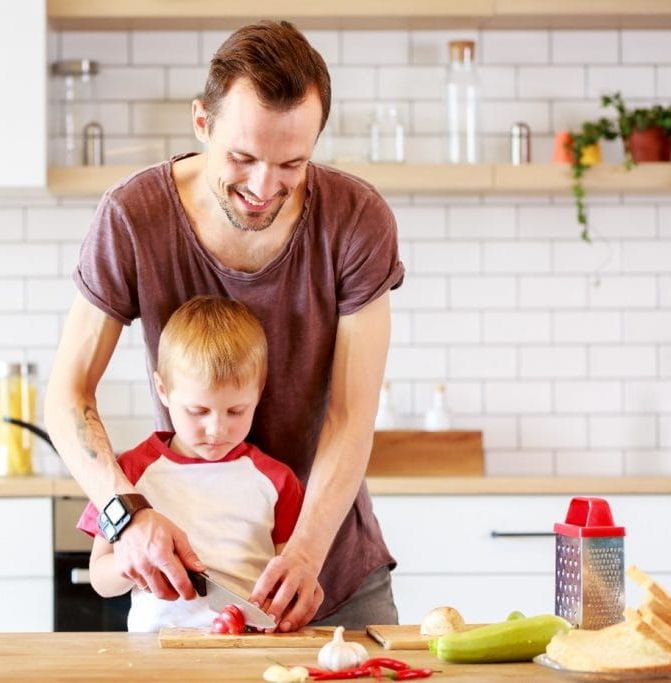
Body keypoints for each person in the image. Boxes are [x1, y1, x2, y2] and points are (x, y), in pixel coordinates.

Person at [45, 19, 404, 632]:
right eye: (242, 157)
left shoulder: (355, 219)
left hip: (325, 572)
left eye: (293, 162)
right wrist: (124, 514)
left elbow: (350, 415)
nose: (266, 188)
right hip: (192, 592)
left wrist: (307, 552)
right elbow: (67, 394)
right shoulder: (134, 217)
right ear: (202, 123)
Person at [75, 295, 305, 632]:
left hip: (246, 652)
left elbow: (289, 580)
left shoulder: (277, 481)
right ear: (163, 390)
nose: (217, 429)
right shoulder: (130, 472)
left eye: (236, 411)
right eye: (198, 411)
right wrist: (127, 564)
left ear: (259, 393)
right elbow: (100, 578)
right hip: (154, 655)